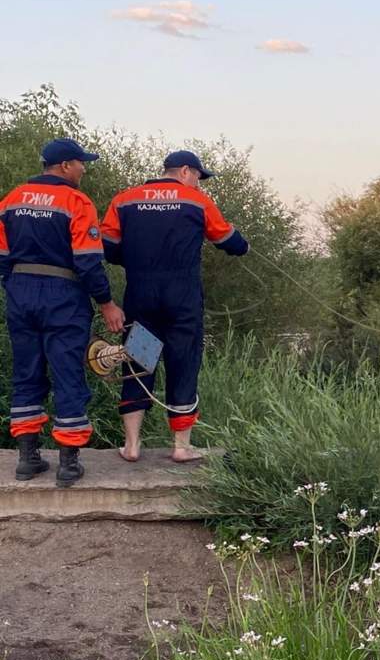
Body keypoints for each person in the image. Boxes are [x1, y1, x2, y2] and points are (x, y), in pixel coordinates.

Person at [100, 150, 248, 462]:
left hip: (142, 297)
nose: (199, 183)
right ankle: (181, 447)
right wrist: (242, 245)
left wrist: (136, 259)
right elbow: (227, 240)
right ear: (184, 171)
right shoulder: (197, 201)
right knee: (183, 363)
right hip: (182, 300)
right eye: (198, 176)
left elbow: (109, 247)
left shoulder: (125, 199)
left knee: (138, 364)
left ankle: (132, 446)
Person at [1, 138, 125, 486]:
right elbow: (88, 261)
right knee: (68, 373)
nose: (84, 169)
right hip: (63, 296)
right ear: (66, 165)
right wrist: (107, 303)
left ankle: (27, 459)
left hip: (21, 293)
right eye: (81, 163)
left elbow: (1, 256)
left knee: (26, 372)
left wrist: (14, 287)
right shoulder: (76, 201)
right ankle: (69, 464)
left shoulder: (12, 199)